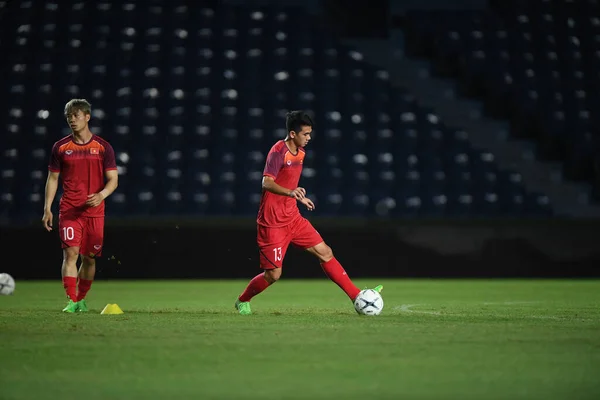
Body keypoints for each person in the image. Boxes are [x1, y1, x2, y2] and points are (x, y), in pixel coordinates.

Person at [235, 110, 382, 315]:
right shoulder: (278, 151)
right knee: (273, 274)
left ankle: (356, 296)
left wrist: (298, 197)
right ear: (293, 134)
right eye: (305, 134)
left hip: (292, 217)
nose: (309, 138)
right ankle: (243, 299)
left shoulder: (301, 153)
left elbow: (289, 182)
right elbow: (266, 182)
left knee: (325, 252)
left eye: (310, 133)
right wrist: (290, 192)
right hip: (272, 222)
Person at [42, 99, 118, 313]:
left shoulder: (103, 147)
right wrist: (47, 208)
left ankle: (82, 299)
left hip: (95, 211)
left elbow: (113, 179)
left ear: (87, 117)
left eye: (76, 115)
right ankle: (72, 300)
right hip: (70, 210)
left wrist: (101, 195)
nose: (72, 120)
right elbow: (53, 178)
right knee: (71, 254)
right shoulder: (61, 147)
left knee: (89, 258)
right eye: (69, 116)